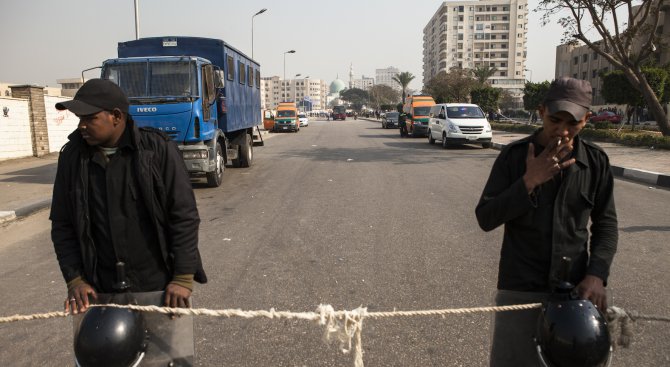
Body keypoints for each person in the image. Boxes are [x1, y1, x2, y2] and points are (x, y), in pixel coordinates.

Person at [475, 77, 618, 366]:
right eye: (554, 119)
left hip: (577, 292)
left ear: (587, 119)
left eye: (573, 123)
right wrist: (529, 181)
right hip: (520, 289)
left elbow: (606, 224)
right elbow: (486, 217)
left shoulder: (596, 162)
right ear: (541, 112)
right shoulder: (514, 158)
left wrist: (596, 274)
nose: (562, 131)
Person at [50, 79, 207, 315]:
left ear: (116, 116)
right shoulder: (72, 159)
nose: (81, 126)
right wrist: (75, 280)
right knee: (105, 350)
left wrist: (182, 278)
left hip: (159, 288)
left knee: (163, 352)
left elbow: (183, 216)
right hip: (100, 290)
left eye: (89, 118)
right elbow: (63, 225)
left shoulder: (157, 151)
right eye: (79, 119)